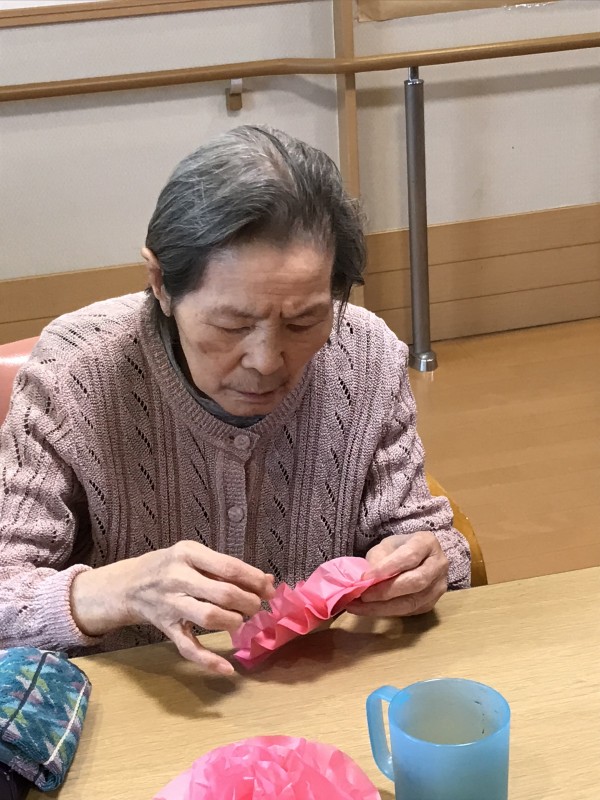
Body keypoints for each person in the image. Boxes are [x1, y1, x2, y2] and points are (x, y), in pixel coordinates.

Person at [0, 126, 469, 676]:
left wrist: (428, 563)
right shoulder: (72, 372)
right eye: (231, 325)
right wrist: (113, 591)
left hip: (319, 683)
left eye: (303, 322)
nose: (266, 361)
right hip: (141, 693)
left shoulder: (366, 356)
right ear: (161, 283)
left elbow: (427, 537)